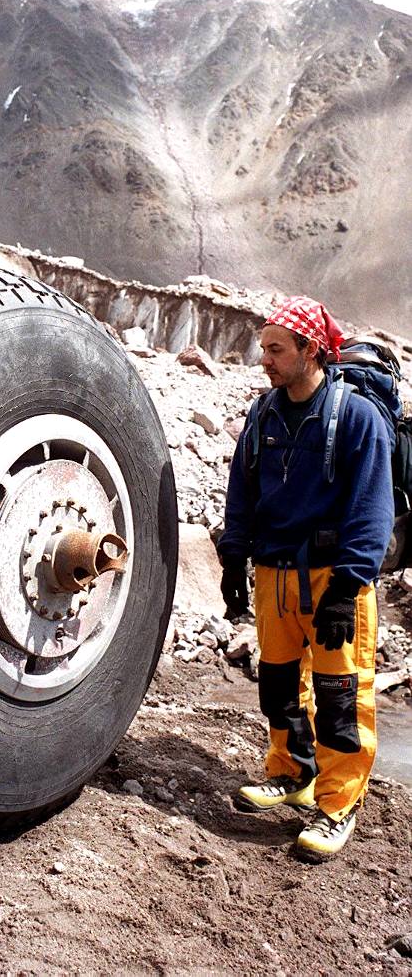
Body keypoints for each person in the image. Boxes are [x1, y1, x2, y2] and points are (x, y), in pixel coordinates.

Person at [218, 295, 394, 862]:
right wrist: (232, 557)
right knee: (277, 681)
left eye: (275, 349)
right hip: (273, 572)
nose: (263, 359)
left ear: (309, 351)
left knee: (341, 694)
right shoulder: (263, 413)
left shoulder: (357, 417)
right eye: (263, 347)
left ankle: (337, 804)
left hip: (331, 578)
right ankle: (291, 772)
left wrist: (348, 587)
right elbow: (242, 489)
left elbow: (372, 508)